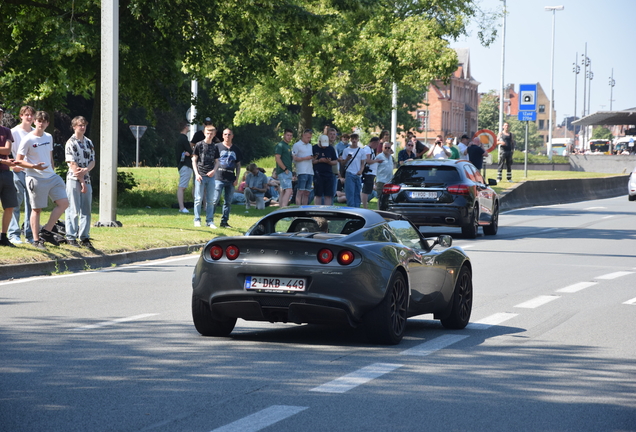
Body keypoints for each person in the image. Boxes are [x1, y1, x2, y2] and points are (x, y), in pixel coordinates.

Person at [15, 111, 69, 250]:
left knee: (64, 203)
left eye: (44, 121)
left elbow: (49, 155)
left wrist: (52, 168)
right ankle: (36, 240)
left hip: (51, 176)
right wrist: (33, 166)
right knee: (36, 209)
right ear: (35, 122)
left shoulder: (49, 136)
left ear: (47, 123)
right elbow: (18, 161)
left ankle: (46, 231)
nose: (41, 123)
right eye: (39, 120)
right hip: (35, 177)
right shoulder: (28, 139)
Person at [64, 116, 96, 249]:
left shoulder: (88, 142)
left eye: (84, 125)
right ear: (74, 127)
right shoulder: (70, 142)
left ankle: (84, 236)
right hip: (73, 179)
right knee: (73, 208)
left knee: (86, 209)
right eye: (80, 125)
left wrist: (87, 170)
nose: (82, 127)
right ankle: (71, 236)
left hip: (86, 177)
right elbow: (72, 164)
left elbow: (93, 161)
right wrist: (81, 180)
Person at [8, 105, 35, 244]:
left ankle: (29, 234)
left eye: (31, 115)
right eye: (26, 115)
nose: (29, 117)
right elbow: (8, 153)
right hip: (18, 172)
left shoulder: (36, 132)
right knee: (16, 203)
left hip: (32, 173)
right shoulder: (14, 132)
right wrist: (14, 165)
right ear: (21, 116)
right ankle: (13, 234)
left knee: (32, 204)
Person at [213, 128, 242, 228]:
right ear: (222, 136)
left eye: (229, 134)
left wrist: (237, 178)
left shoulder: (236, 149)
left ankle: (224, 222)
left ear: (232, 136)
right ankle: (210, 220)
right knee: (215, 200)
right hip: (218, 177)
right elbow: (212, 161)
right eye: (225, 134)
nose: (227, 136)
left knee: (228, 202)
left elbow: (238, 165)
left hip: (230, 179)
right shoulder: (217, 147)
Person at [191, 124, 219, 228]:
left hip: (211, 175)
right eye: (208, 133)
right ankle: (197, 219)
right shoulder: (198, 145)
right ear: (204, 133)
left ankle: (209, 221)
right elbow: (194, 160)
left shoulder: (215, 147)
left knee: (210, 200)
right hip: (200, 175)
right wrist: (197, 174)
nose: (209, 135)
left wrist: (214, 171)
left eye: (211, 134)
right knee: (198, 199)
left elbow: (217, 162)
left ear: (214, 134)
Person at [0, 109, 18, 248]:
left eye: (0, 113)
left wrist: (4, 161)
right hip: (4, 167)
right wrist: (4, 160)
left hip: (6, 173)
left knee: (10, 206)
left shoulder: (6, 131)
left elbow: (7, 151)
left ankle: (3, 236)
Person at [340, 133, 366, 208]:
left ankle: (357, 209)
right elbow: (343, 163)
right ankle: (350, 209)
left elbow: (363, 163)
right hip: (349, 173)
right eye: (353, 139)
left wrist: (361, 170)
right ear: (350, 140)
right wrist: (347, 159)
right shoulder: (346, 150)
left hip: (358, 174)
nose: (354, 140)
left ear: (358, 140)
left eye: (355, 138)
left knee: (357, 193)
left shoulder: (361, 151)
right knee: (350, 193)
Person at [312, 134, 337, 205]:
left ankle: (328, 210)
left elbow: (335, 161)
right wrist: (319, 160)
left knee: (328, 194)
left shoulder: (331, 148)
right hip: (318, 173)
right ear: (319, 142)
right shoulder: (314, 148)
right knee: (318, 194)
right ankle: (317, 210)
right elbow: (311, 161)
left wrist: (329, 162)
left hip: (328, 174)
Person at [291, 129, 313, 206]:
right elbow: (294, 158)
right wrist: (306, 158)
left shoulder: (310, 146)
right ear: (303, 136)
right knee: (300, 190)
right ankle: (298, 207)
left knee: (307, 192)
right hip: (302, 170)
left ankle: (304, 207)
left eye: (310, 137)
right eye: (307, 137)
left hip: (310, 171)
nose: (309, 139)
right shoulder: (297, 145)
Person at [175, 121, 193, 213]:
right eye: (188, 126)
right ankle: (181, 207)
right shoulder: (183, 139)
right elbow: (191, 152)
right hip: (185, 165)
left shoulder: (180, 138)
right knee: (182, 186)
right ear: (185, 127)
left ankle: (181, 207)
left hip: (182, 165)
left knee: (183, 186)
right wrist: (191, 152)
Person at [274, 128, 294, 207]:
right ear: (284, 135)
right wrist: (285, 169)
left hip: (287, 171)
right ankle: (284, 209)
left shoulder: (288, 146)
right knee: (289, 190)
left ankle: (280, 209)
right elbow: (277, 158)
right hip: (284, 171)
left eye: (291, 135)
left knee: (283, 191)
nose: (289, 137)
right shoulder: (280, 145)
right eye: (288, 135)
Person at [361, 137, 382, 209]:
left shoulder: (370, 149)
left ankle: (365, 205)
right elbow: (368, 161)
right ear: (373, 142)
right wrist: (376, 161)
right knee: (366, 190)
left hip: (371, 173)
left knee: (368, 189)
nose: (377, 146)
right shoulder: (367, 149)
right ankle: (365, 206)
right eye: (377, 144)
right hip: (368, 172)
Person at [375, 140, 395, 205]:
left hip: (389, 180)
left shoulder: (391, 157)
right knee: (380, 197)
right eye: (385, 147)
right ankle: (379, 210)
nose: (387, 149)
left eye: (388, 148)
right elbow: (375, 168)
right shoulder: (379, 157)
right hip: (381, 180)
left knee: (388, 198)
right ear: (382, 148)